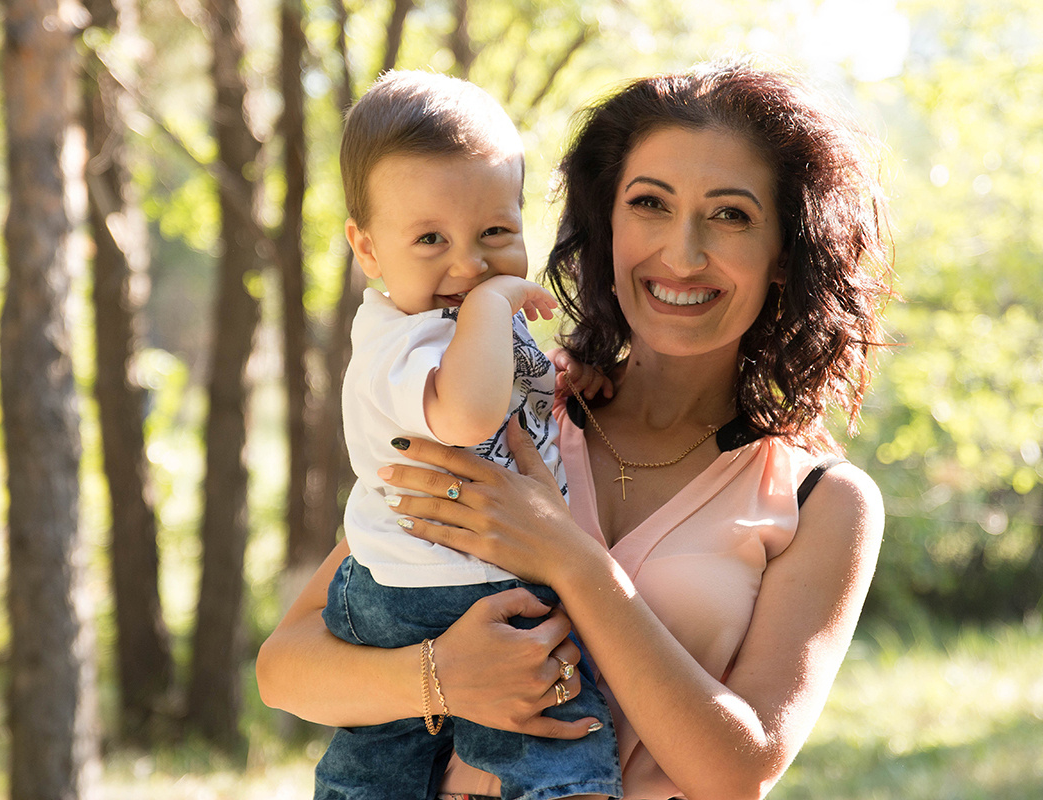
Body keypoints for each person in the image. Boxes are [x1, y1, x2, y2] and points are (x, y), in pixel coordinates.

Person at [258, 56, 893, 800]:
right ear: (606, 223)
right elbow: (286, 668)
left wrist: (573, 562)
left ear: (784, 254)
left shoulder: (822, 501)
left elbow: (736, 772)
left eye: (730, 215)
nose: (682, 255)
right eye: (649, 203)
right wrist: (439, 679)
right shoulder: (511, 399)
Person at [310, 69, 621, 800]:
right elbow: (468, 413)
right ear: (369, 251)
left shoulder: (457, 316)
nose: (467, 264)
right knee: (547, 725)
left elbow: (514, 390)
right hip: (433, 586)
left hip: (450, 573)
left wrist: (565, 383)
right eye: (429, 239)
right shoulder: (398, 337)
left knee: (382, 756)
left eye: (495, 233)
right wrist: (494, 302)